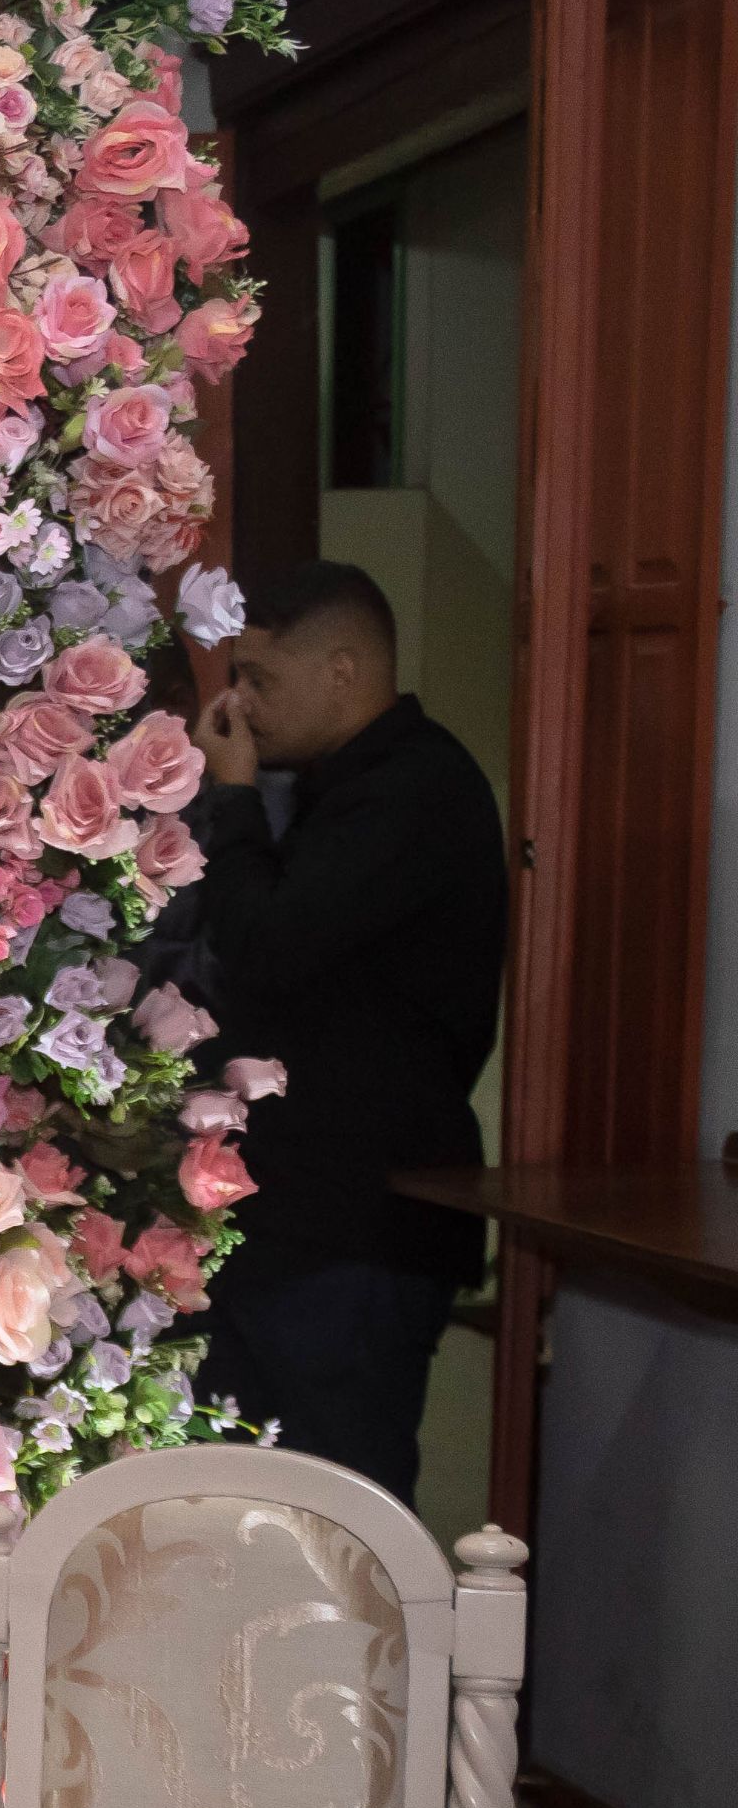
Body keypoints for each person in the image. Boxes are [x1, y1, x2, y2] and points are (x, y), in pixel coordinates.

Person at [192, 559, 507, 1501]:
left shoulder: (415, 788)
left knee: (339, 1516)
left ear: (342, 670)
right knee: (238, 1508)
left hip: (354, 1226)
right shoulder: (348, 786)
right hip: (297, 1219)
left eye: (261, 679)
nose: (242, 706)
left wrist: (235, 796)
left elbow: (267, 944)